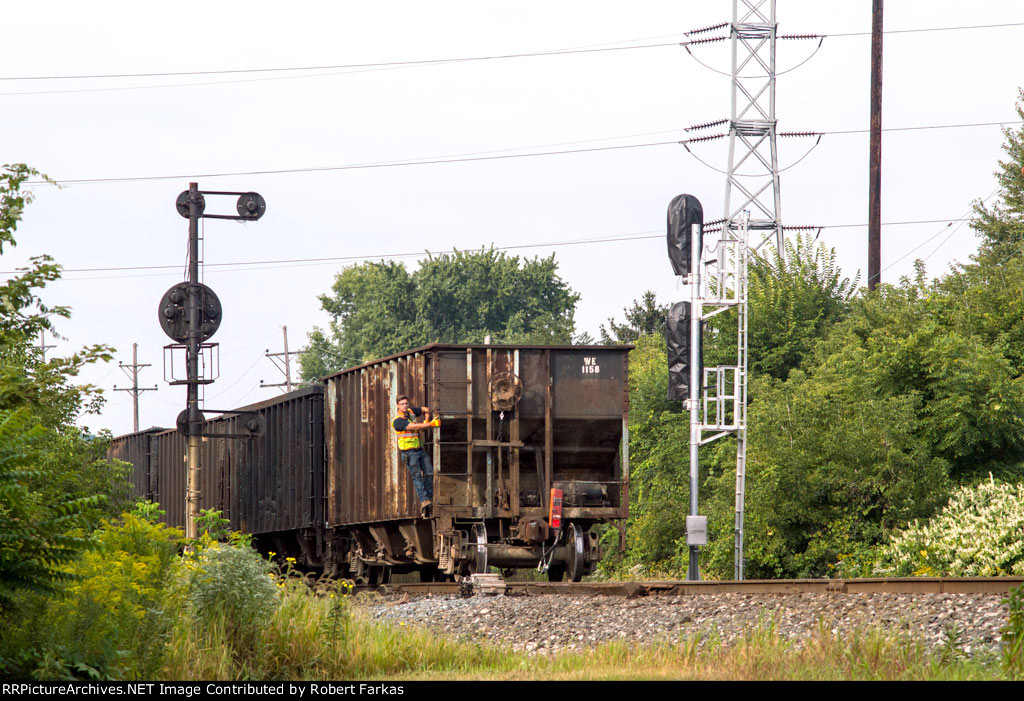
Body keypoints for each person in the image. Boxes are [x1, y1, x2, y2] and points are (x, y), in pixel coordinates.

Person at [393, 395, 440, 514]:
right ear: (397, 405)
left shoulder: (411, 412)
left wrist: (426, 420)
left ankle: (429, 498)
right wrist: (430, 425)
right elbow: (413, 426)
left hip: (419, 449)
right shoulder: (397, 421)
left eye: (406, 403)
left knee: (429, 472)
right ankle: (424, 500)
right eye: (402, 404)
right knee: (417, 476)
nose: (404, 406)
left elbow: (426, 409)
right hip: (409, 453)